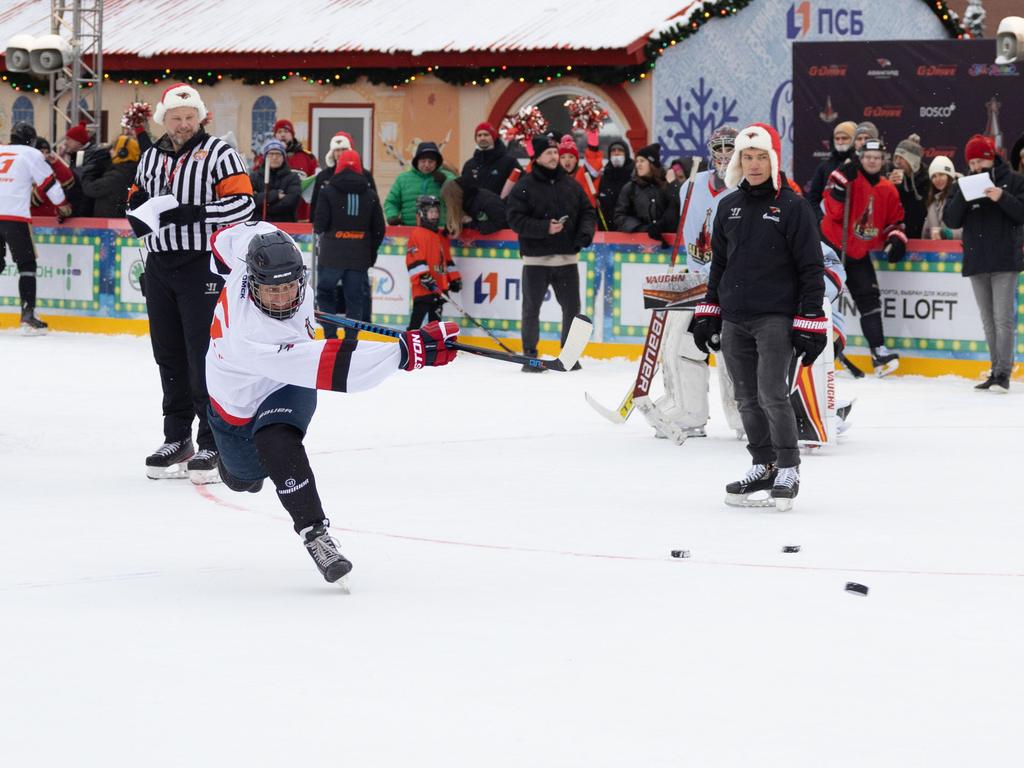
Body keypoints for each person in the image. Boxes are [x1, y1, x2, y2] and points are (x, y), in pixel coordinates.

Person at [205, 221, 458, 585]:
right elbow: (331, 364)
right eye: (271, 291)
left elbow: (222, 237)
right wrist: (405, 353)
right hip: (236, 399)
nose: (282, 299)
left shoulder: (265, 244)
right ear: (253, 280)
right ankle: (238, 471)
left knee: (277, 440)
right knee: (245, 479)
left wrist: (217, 263)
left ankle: (315, 535)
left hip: (287, 379)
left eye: (290, 287)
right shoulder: (250, 334)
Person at [692, 123, 824, 511]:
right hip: (734, 318)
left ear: (774, 161)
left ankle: (788, 466)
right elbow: (719, 265)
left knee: (771, 394)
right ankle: (763, 462)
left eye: (761, 157)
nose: (753, 164)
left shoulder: (792, 206)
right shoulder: (728, 206)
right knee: (745, 397)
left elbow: (810, 268)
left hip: (775, 318)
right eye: (746, 157)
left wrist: (810, 320)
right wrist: (708, 312)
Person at [127, 83, 255, 482]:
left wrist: (193, 213)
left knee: (204, 355)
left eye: (189, 117)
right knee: (168, 354)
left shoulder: (219, 153)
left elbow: (243, 203)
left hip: (203, 265)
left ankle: (213, 441)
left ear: (200, 117)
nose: (182, 124)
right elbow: (136, 194)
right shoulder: (149, 156)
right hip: (160, 266)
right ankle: (177, 436)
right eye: (175, 118)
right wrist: (134, 207)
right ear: (163, 119)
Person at [642, 126, 744, 440]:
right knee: (681, 346)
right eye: (719, 147)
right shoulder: (691, 184)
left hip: (731, 281)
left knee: (731, 351)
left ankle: (745, 416)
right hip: (694, 279)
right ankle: (690, 412)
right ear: (710, 150)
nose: (724, 154)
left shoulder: (746, 187)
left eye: (730, 147)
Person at [506, 134, 597, 372]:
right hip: (536, 260)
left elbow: (588, 212)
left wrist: (584, 235)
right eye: (549, 153)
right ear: (537, 156)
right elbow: (514, 219)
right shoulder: (525, 186)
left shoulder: (571, 184)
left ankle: (569, 355)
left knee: (571, 308)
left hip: (567, 259)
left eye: (556, 152)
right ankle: (530, 356)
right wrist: (544, 228)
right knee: (531, 308)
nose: (555, 156)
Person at [943, 134, 1024, 393]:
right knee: (988, 321)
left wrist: (1002, 197)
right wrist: (963, 197)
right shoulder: (962, 184)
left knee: (1002, 320)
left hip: (1004, 260)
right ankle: (994, 370)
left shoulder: (1013, 181)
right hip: (976, 260)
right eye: (972, 162)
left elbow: (1022, 214)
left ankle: (1003, 373)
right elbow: (951, 221)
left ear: (990, 159)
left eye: (980, 161)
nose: (976, 167)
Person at [820, 138, 907, 376]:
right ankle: (818, 347)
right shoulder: (845, 178)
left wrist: (896, 238)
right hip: (830, 248)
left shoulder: (888, 189)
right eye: (868, 157)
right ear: (860, 157)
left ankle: (878, 352)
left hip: (857, 253)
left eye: (877, 158)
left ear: (883, 161)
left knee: (870, 300)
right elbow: (832, 211)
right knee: (822, 300)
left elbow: (895, 221)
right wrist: (839, 183)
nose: (872, 161)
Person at [0, 121, 72, 334]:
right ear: (31, 140)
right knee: (26, 265)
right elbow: (49, 183)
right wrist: (62, 205)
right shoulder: (31, 154)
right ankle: (28, 314)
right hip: (15, 216)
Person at [312, 149, 385, 339]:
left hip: (331, 256)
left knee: (325, 292)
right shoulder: (370, 194)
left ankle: (330, 334)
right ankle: (351, 338)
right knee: (355, 299)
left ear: (339, 166)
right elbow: (379, 229)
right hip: (358, 256)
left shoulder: (327, 191)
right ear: (359, 168)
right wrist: (370, 254)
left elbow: (319, 225)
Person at [405, 195, 461, 330]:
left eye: (436, 211)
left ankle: (432, 347)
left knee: (435, 326)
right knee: (416, 323)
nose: (434, 215)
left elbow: (447, 260)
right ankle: (410, 344)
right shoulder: (417, 234)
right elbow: (413, 258)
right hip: (423, 289)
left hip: (439, 287)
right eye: (431, 212)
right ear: (422, 213)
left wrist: (454, 278)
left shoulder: (442, 236)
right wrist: (424, 276)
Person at [310, 131, 376, 221]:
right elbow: (315, 205)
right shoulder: (323, 176)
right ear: (332, 153)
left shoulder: (365, 176)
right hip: (329, 228)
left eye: (343, 150)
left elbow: (373, 204)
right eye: (337, 150)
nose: (340, 153)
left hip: (359, 225)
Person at [384, 141, 455, 226]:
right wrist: (392, 216)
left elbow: (458, 198)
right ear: (416, 161)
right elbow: (391, 202)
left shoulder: (448, 177)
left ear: (437, 163)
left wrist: (445, 182)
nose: (426, 165)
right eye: (423, 161)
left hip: (439, 230)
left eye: (431, 162)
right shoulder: (402, 178)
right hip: (409, 230)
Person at [613, 143, 674, 235]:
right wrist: (640, 228)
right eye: (637, 161)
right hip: (638, 242)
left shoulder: (667, 185)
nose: (638, 165)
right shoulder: (630, 188)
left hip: (666, 241)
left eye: (642, 161)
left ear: (652, 163)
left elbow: (676, 211)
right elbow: (619, 216)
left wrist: (661, 226)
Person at [268, 119, 319, 222]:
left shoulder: (308, 157)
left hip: (302, 215)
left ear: (292, 135)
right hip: (274, 215)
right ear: (274, 136)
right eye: (279, 132)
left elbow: (316, 183)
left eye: (286, 132)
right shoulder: (266, 157)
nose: (283, 135)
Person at [806, 120, 856, 221]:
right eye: (837, 139)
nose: (840, 142)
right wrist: (821, 219)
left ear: (854, 140)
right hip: (830, 226)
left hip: (855, 225)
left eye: (845, 138)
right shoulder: (824, 167)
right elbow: (814, 198)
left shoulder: (861, 165)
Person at [79, 135, 140, 218]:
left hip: (110, 226)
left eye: (114, 149)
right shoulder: (133, 171)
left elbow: (89, 188)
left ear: (122, 153)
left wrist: (88, 170)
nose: (110, 152)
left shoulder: (116, 177)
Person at [890, 133, 929, 244]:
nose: (897, 161)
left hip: (923, 240)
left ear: (913, 160)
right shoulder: (891, 177)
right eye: (896, 157)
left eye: (902, 157)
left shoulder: (928, 180)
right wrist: (889, 186)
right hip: (897, 238)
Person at [461, 122, 520, 196]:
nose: (482, 138)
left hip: (499, 206)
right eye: (479, 135)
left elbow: (520, 187)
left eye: (486, 135)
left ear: (493, 137)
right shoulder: (469, 165)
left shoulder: (509, 162)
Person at [250, 138, 301, 223]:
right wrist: (276, 195)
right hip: (259, 225)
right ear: (265, 157)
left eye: (278, 154)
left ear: (283, 157)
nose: (274, 157)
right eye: (271, 154)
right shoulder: (254, 177)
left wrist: (264, 207)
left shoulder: (292, 178)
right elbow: (250, 200)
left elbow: (292, 201)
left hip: (285, 225)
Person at [557, 132, 604, 221]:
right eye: (563, 157)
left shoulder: (584, 174)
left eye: (571, 157)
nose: (567, 160)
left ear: (576, 160)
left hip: (584, 224)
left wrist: (592, 133)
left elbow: (593, 159)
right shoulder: (553, 178)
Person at [439, 176, 507, 237]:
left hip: (501, 241)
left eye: (447, 201)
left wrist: (474, 225)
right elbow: (453, 222)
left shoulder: (486, 200)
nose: (447, 204)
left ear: (455, 198)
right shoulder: (462, 203)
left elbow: (502, 221)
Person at [30, 137, 79, 218]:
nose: (45, 156)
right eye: (41, 152)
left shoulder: (50, 168)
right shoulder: (27, 171)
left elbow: (70, 184)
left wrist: (57, 164)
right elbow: (35, 201)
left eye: (47, 152)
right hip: (34, 221)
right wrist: (48, 179)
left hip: (53, 221)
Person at [596, 139, 634, 232]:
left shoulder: (633, 177)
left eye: (620, 151)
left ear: (626, 154)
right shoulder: (603, 178)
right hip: (605, 232)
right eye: (613, 151)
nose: (616, 154)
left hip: (627, 232)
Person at [921, 156, 961, 240]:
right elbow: (926, 233)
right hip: (936, 251)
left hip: (957, 251)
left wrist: (948, 234)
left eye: (941, 174)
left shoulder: (960, 196)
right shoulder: (933, 201)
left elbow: (967, 230)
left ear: (949, 176)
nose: (937, 179)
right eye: (934, 176)